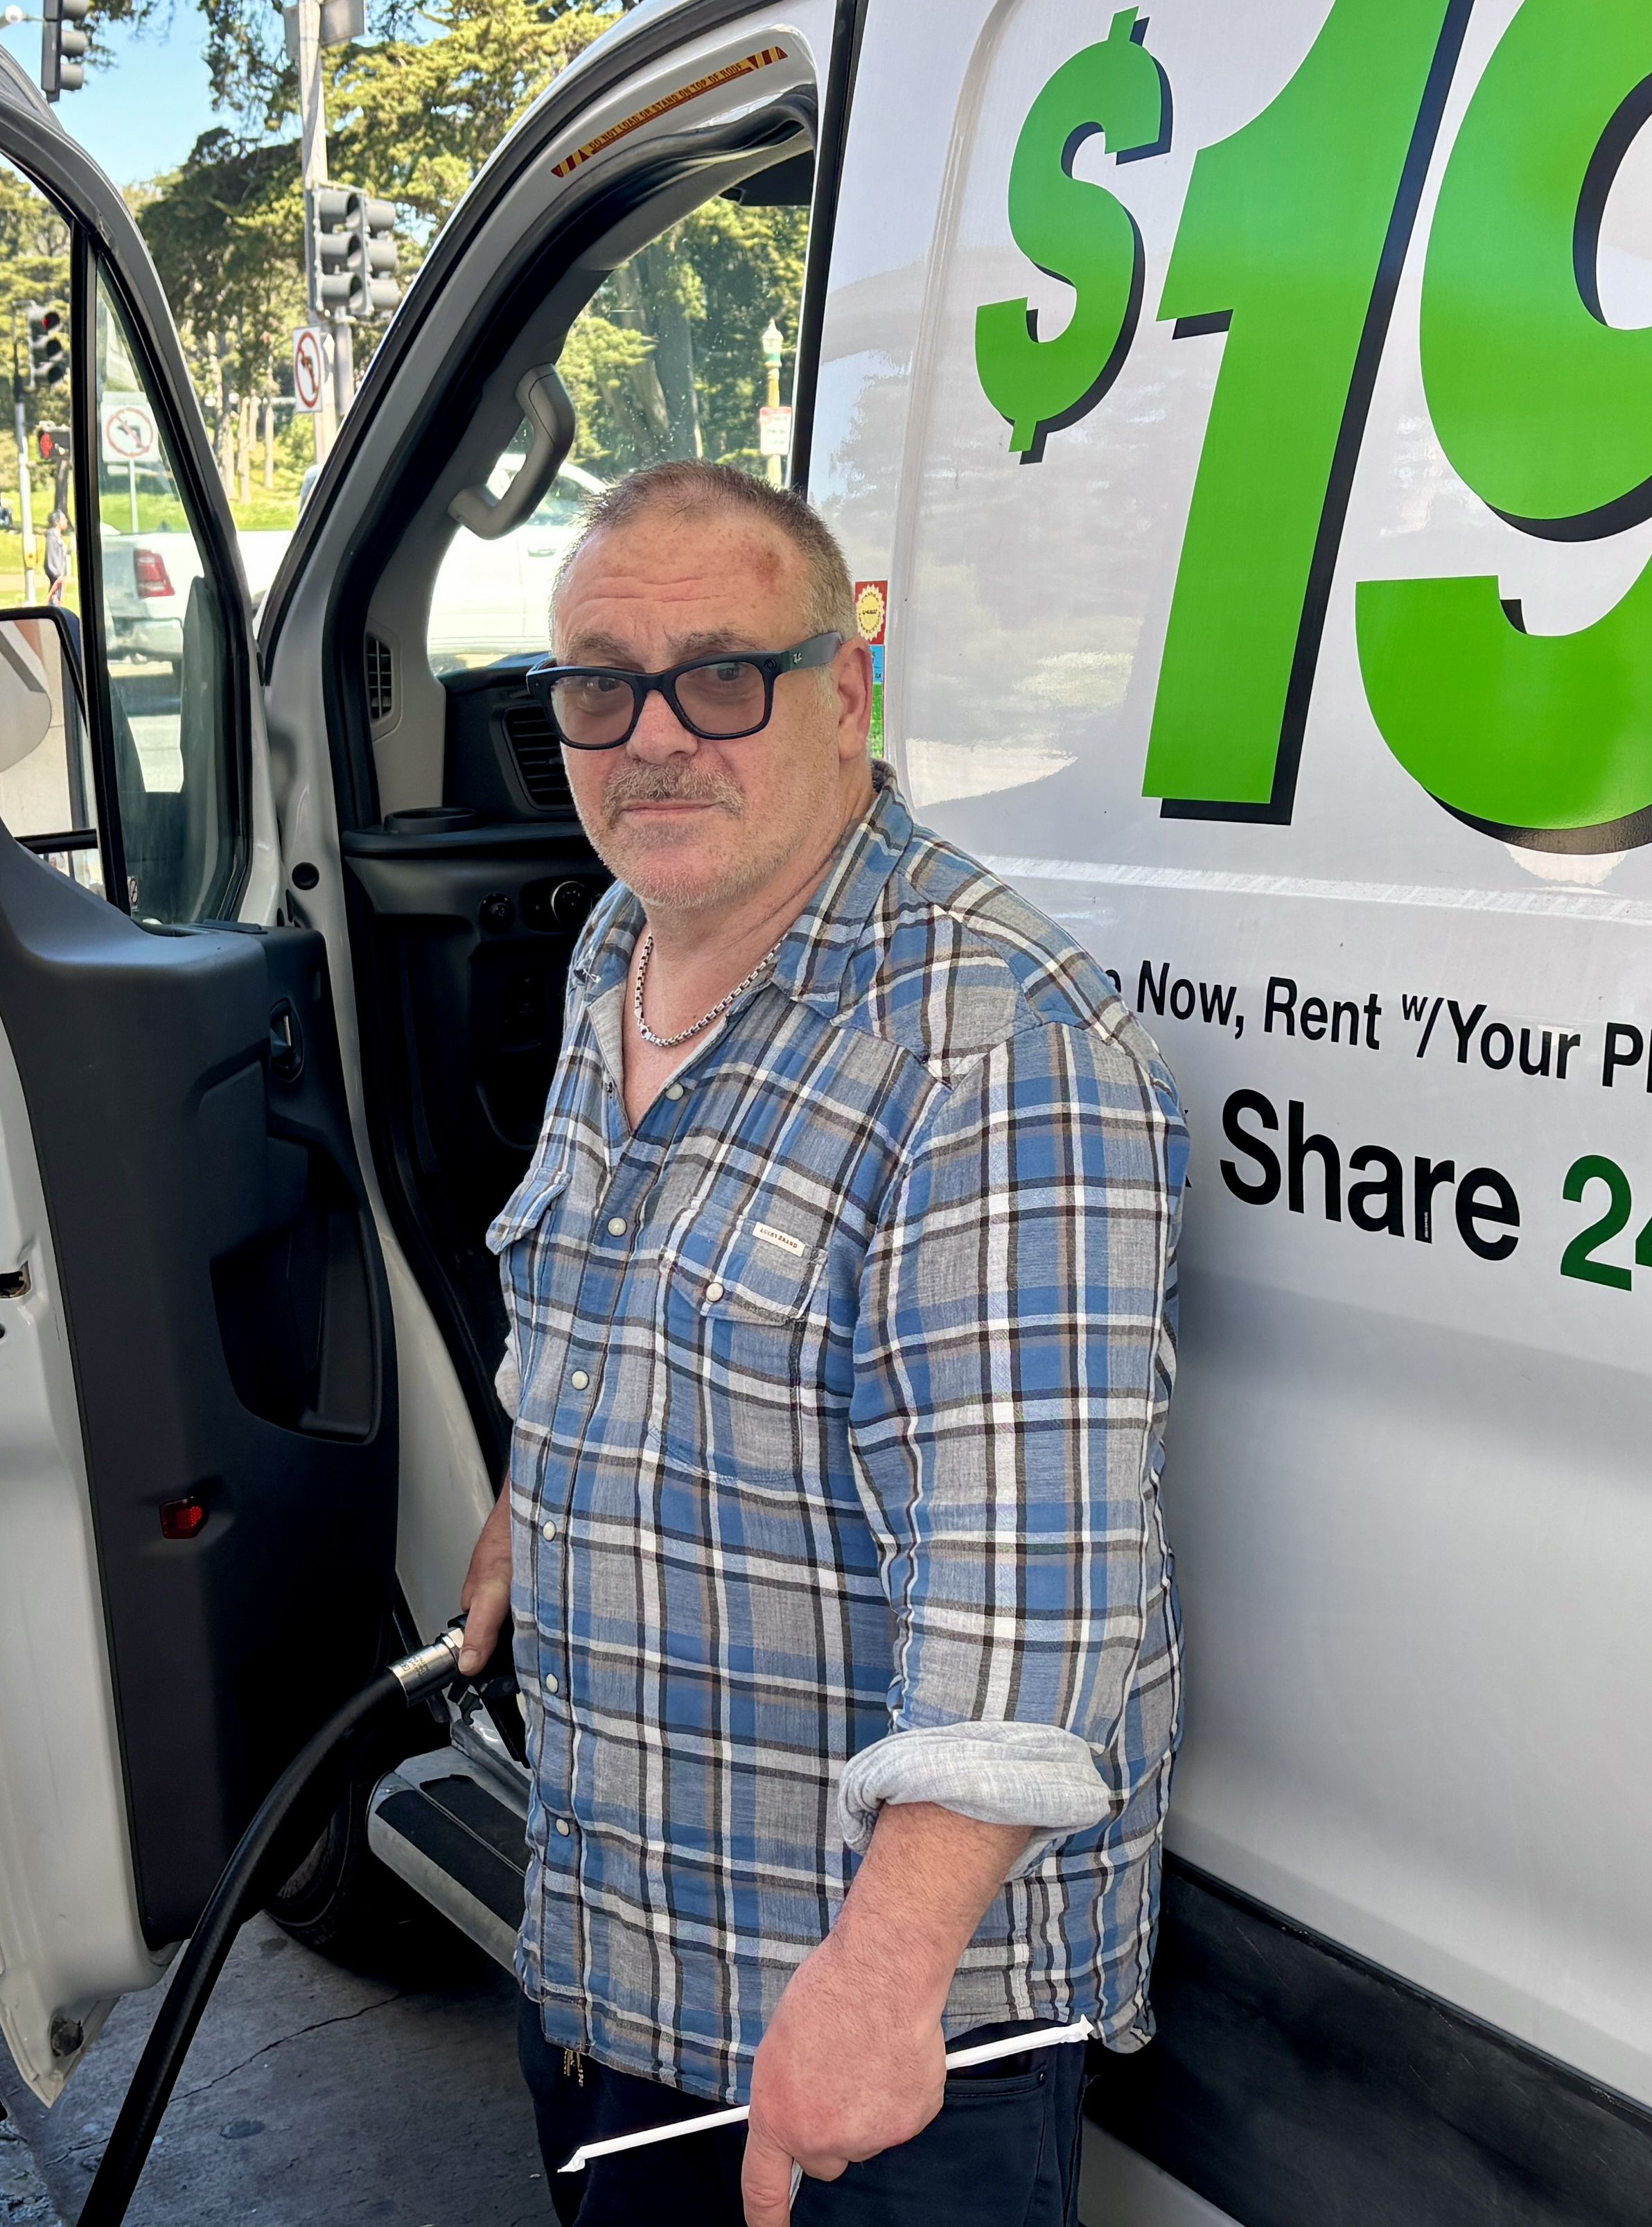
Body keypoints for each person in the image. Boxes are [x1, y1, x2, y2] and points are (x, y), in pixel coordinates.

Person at [452, 460, 1186, 2226]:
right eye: (596, 686)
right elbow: (602, 1299)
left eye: (722, 676)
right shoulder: (627, 942)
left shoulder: (989, 1038)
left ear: (847, 694)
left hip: (867, 2039)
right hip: (629, 1952)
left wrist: (879, 1987)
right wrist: (522, 1510)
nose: (652, 738)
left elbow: (1029, 1598)